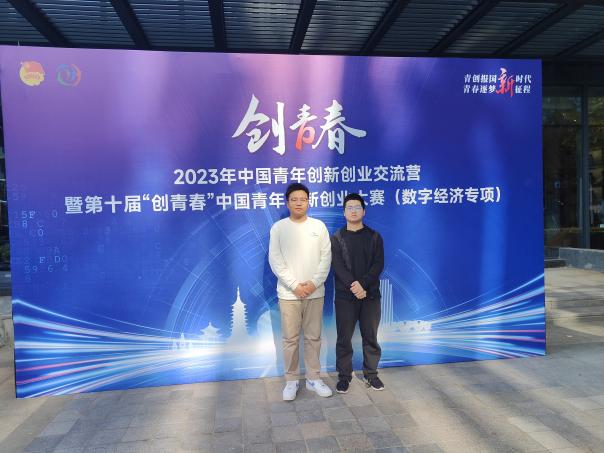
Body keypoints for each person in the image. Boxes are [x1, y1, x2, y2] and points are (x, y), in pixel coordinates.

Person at [269, 183, 333, 400]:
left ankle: (314, 378)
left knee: (314, 338)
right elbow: (275, 260)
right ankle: (291, 381)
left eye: (303, 199)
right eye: (294, 199)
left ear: (308, 202)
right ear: (287, 203)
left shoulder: (319, 226)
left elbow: (326, 257)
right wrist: (295, 286)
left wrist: (313, 283)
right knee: (290, 339)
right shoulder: (278, 228)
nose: (299, 203)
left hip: (316, 292)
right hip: (288, 294)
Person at [331, 193, 385, 393]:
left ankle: (371, 374)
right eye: (349, 207)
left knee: (370, 337)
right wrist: (355, 287)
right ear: (344, 212)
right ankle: (344, 376)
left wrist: (363, 285)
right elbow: (337, 266)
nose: (353, 211)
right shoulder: (336, 238)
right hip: (345, 297)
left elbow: (378, 265)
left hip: (370, 296)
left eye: (357, 207)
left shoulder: (374, 236)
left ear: (364, 211)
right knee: (343, 339)